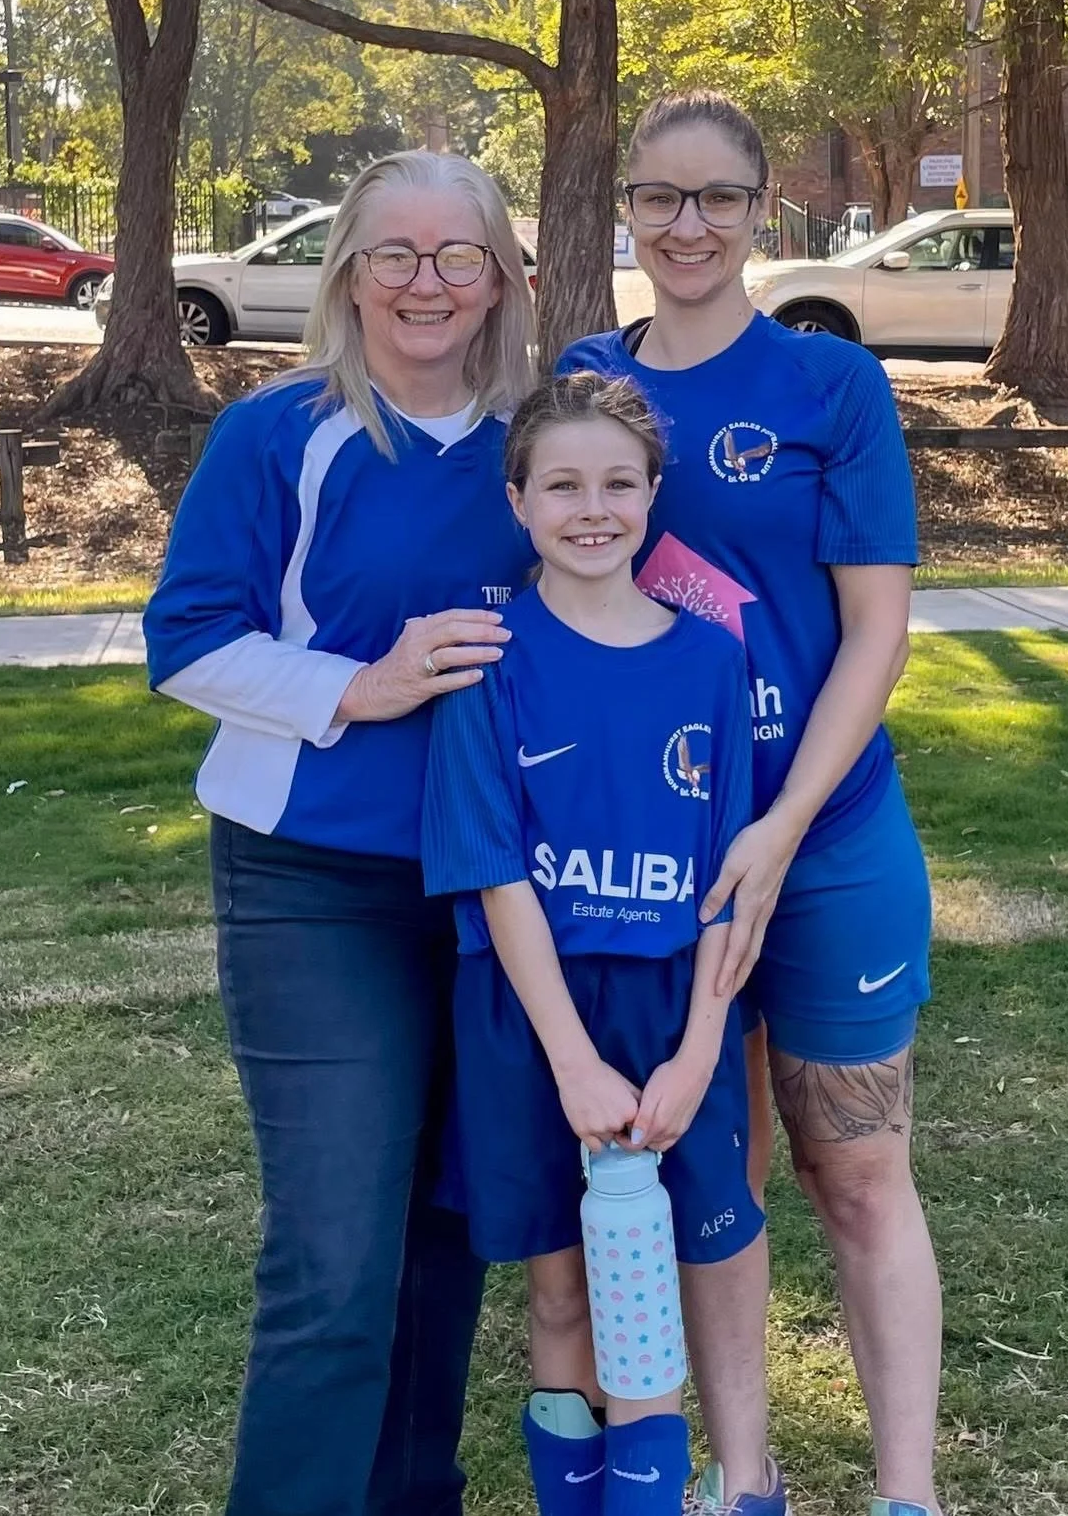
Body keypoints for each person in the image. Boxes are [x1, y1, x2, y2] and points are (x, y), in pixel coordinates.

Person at [558, 89, 938, 1516]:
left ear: (761, 210)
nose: (687, 224)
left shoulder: (829, 386)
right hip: (660, 859)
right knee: (711, 1181)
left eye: (716, 197)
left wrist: (782, 827)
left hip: (823, 840)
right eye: (659, 196)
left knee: (858, 1171)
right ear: (628, 211)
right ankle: (746, 1479)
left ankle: (906, 1493)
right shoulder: (590, 378)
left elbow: (875, 632)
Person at [142, 150, 537, 1516]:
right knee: (335, 1254)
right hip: (313, 879)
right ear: (348, 275)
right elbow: (187, 638)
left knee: (446, 1231)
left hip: (495, 885)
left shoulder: (541, 440)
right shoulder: (279, 432)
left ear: (501, 278)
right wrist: (360, 687)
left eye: (458, 255)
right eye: (394, 254)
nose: (427, 283)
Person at [420, 372, 783, 1516]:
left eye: (617, 483)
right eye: (562, 485)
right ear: (517, 500)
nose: (592, 509)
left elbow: (727, 883)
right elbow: (493, 873)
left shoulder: (709, 656)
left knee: (644, 1292)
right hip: (535, 1018)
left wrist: (697, 1049)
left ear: (652, 494)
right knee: (564, 1296)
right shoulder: (486, 655)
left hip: (674, 1009)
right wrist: (573, 1064)